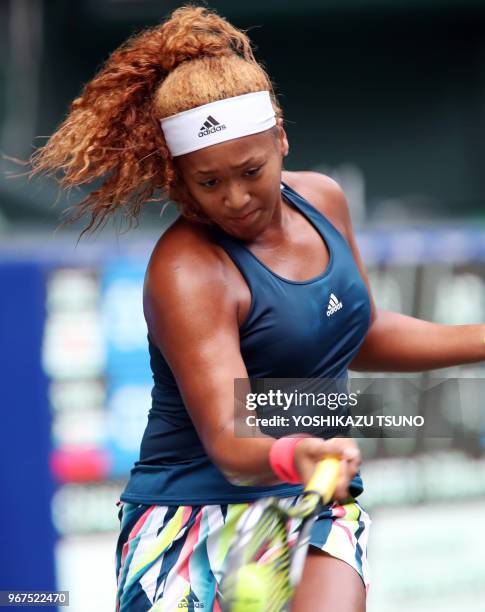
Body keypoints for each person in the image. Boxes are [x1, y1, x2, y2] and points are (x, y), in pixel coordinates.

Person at [31, 6, 485, 612]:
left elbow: (364, 333)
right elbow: (226, 431)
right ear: (180, 179)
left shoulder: (323, 198)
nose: (236, 199)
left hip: (314, 494)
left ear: (280, 137)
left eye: (251, 171)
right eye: (208, 183)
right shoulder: (186, 272)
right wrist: (293, 450)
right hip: (190, 518)